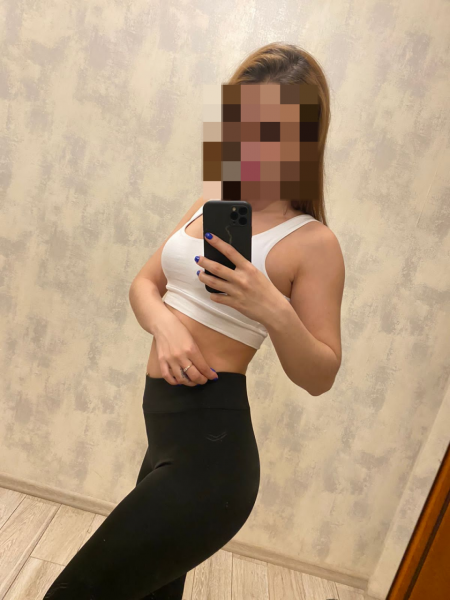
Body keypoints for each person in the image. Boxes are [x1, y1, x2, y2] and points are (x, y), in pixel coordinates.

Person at [44, 42, 344, 600]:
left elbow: (321, 375)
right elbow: (143, 284)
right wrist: (166, 327)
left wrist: (271, 306)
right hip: (163, 440)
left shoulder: (313, 243)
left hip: (211, 461)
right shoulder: (212, 200)